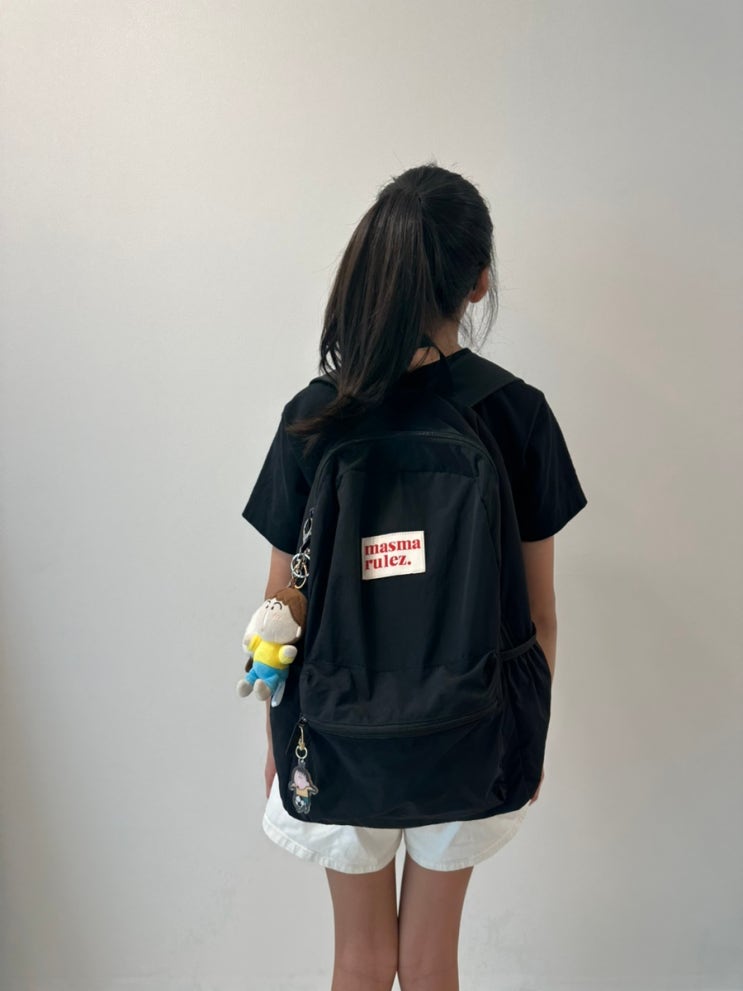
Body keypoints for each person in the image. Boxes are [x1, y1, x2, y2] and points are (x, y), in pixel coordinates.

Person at [241, 162, 588, 991]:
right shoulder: (516, 413)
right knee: (431, 963)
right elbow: (539, 615)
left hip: (333, 728)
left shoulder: (315, 416)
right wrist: (525, 732)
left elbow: (280, 605)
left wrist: (279, 736)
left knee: (359, 962)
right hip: (473, 727)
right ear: (478, 281)